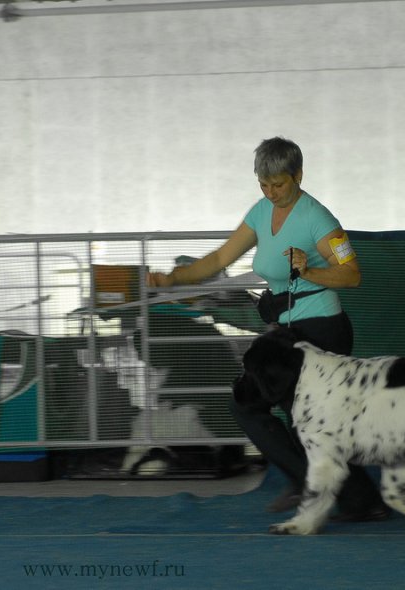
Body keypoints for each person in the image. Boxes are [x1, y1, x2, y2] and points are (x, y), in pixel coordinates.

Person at [148, 136, 389, 521]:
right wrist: (174, 279)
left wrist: (309, 270)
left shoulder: (318, 218)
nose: (271, 191)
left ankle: (342, 495)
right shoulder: (261, 212)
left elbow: (353, 274)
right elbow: (219, 258)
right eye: (263, 183)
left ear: (298, 176)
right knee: (272, 411)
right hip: (289, 331)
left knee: (305, 418)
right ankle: (346, 496)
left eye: (279, 183)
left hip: (324, 329)